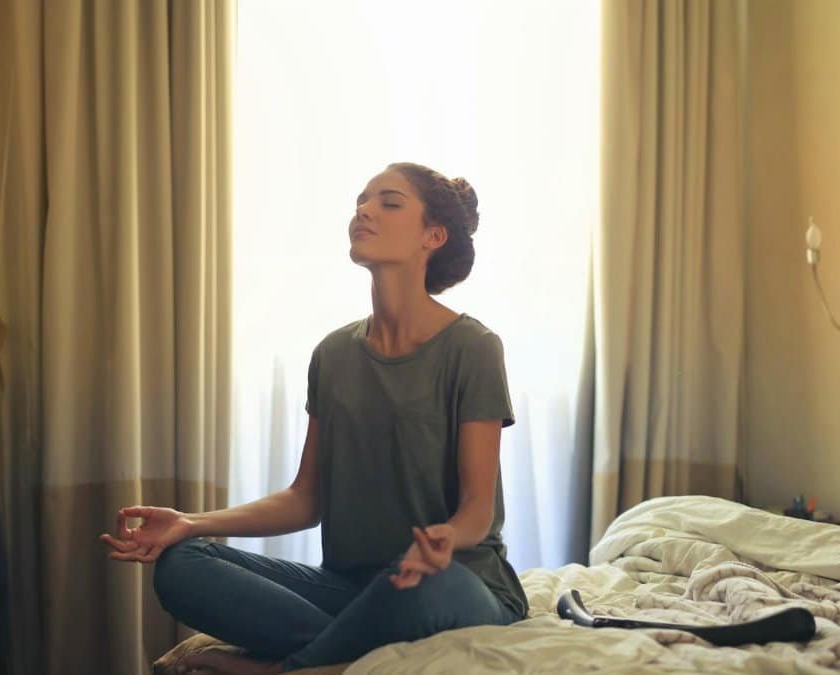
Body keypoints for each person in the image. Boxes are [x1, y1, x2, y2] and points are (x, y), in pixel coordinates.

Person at [101, 162, 527, 674]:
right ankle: (336, 655)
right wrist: (191, 523)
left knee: (428, 585)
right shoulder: (333, 354)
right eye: (361, 202)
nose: (364, 211)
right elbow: (305, 499)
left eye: (388, 202)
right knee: (183, 565)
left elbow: (478, 509)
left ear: (432, 236)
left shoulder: (473, 348)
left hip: (456, 583)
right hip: (350, 590)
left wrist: (446, 538)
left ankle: (286, 669)